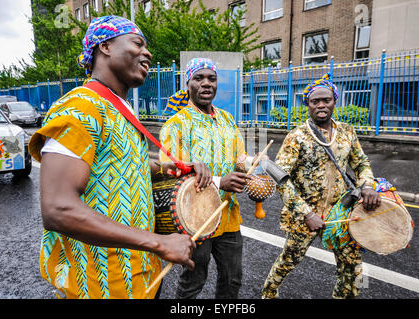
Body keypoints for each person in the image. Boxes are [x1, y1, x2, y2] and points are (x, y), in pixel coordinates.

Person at [28, 15, 211, 299]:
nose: (147, 52)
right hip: (101, 285)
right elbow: (58, 209)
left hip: (142, 275)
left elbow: (122, 167)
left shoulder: (119, 110)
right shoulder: (79, 108)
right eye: (138, 43)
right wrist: (158, 243)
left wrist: (170, 169)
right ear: (106, 47)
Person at [261, 73, 381, 299]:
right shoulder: (297, 136)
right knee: (289, 260)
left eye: (326, 100)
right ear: (307, 104)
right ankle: (268, 294)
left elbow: (361, 163)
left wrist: (367, 185)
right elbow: (281, 178)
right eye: (315, 101)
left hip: (341, 212)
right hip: (305, 215)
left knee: (352, 267)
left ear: (335, 101)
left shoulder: (347, 132)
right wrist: (307, 214)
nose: (321, 105)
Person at [159, 58, 253, 299]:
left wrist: (252, 164)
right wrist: (220, 182)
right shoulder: (176, 125)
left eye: (211, 78)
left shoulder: (227, 119)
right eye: (199, 78)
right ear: (187, 83)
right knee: (194, 281)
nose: (206, 83)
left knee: (232, 279)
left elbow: (239, 155)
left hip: (228, 214)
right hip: (195, 219)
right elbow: (171, 175)